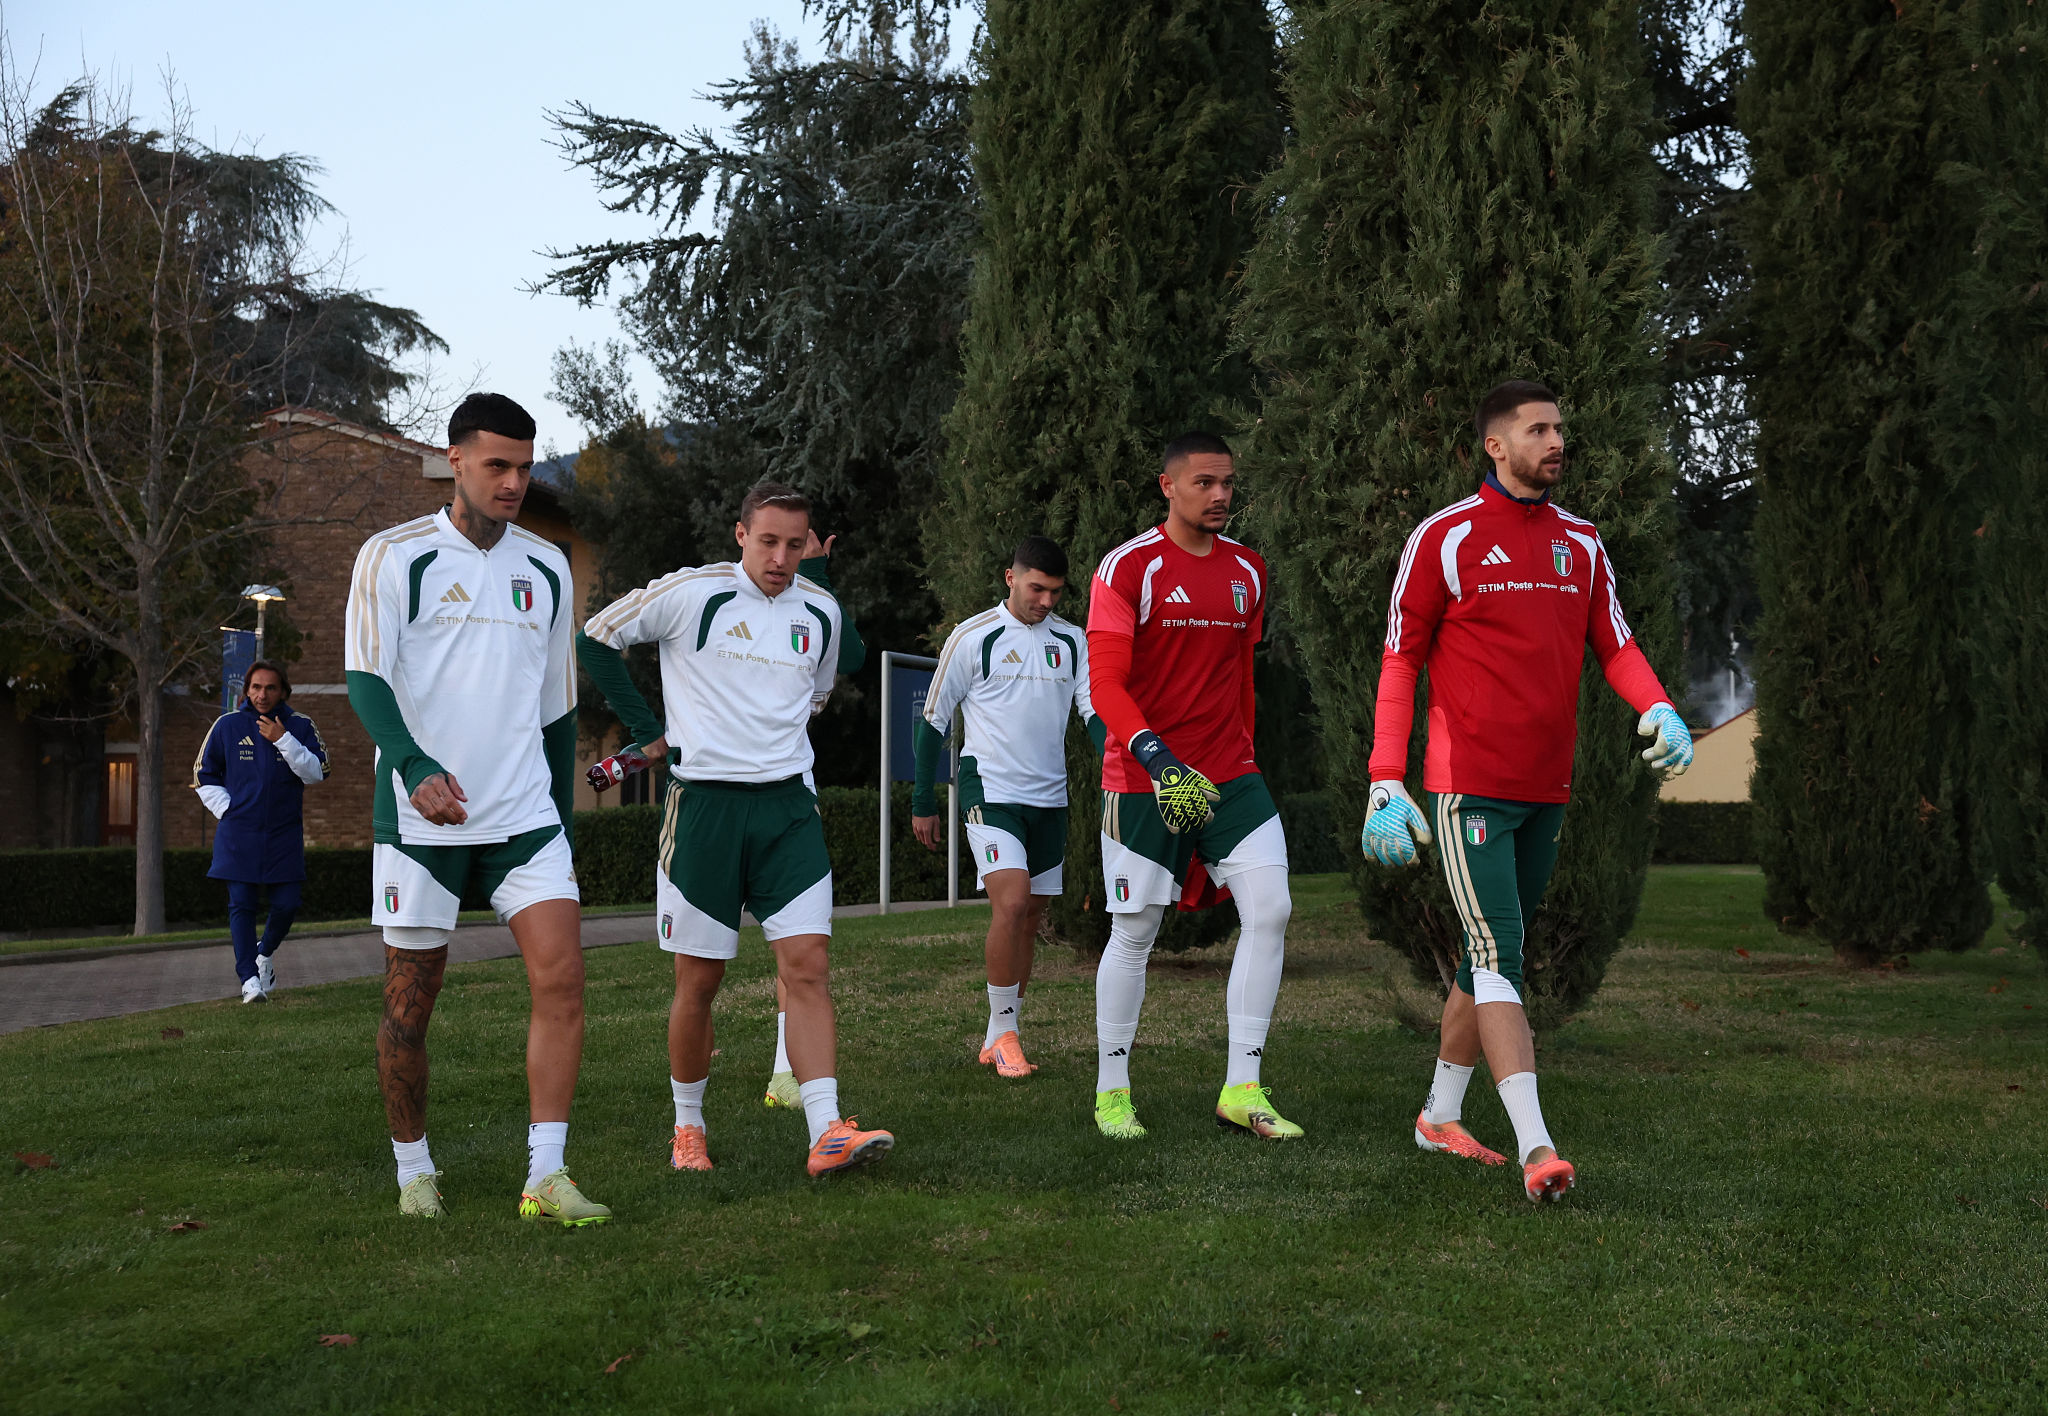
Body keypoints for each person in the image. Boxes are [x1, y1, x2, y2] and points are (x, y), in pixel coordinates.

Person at [1360, 378, 1695, 1203]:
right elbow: (1402, 656)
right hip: (1466, 785)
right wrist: (1383, 779)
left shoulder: (1579, 542)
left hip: (1548, 789)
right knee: (1495, 953)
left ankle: (1439, 1116)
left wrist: (1657, 704)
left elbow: (1615, 644)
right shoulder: (1443, 536)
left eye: (1559, 429)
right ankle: (1537, 1147)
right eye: (1538, 430)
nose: (1556, 442)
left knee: (1487, 964)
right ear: (1495, 445)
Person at [576, 481, 894, 1179]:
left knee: (808, 967)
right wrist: (648, 732)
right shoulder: (693, 593)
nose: (782, 557)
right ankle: (688, 1127)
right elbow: (596, 639)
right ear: (741, 534)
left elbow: (811, 697)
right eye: (769, 541)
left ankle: (826, 1130)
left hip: (787, 812)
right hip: (704, 815)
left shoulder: (822, 613)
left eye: (796, 544)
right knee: (700, 982)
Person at [343, 392, 607, 1226]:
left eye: (526, 467)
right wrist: (413, 765)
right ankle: (414, 1169)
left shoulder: (548, 566)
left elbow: (559, 707)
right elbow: (366, 679)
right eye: (498, 465)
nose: (515, 482)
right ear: (453, 459)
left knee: (564, 979)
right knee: (408, 1011)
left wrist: (562, 815)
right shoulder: (393, 557)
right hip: (424, 824)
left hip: (525, 817)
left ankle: (546, 1177)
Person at [1086, 432, 1298, 1142]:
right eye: (1205, 483)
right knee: (1136, 931)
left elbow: (1241, 680)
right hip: (1146, 776)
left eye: (1229, 484)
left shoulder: (1249, 571)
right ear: (1167, 486)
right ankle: (1112, 1091)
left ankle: (1243, 1087)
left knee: (1270, 909)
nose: (1221, 496)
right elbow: (1106, 684)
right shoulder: (1128, 567)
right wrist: (1155, 756)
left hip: (1231, 775)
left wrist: (1246, 753)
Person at [910, 536, 1104, 1078]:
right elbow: (933, 721)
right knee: (1013, 903)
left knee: (1031, 915)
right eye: (1036, 588)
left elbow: (1091, 711)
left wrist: (1119, 763)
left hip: (1051, 797)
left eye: (1056, 592)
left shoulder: (1071, 640)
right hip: (989, 789)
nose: (1045, 600)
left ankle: (1001, 1033)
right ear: (1010, 578)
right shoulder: (973, 637)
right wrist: (923, 800)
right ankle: (1005, 1034)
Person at [191, 660, 329, 1002]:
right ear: (246, 691)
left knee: (287, 904)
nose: (262, 694)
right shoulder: (227, 725)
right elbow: (202, 775)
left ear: (283, 690)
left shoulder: (300, 726)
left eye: (269, 688)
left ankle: (263, 954)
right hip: (239, 834)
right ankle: (249, 981)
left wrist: (283, 739)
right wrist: (229, 810)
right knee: (242, 905)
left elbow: (317, 771)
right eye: (255, 687)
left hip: (284, 835)